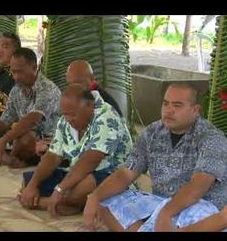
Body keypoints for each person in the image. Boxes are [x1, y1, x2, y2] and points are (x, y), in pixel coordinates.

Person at [84, 82, 227, 232]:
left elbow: (197, 187)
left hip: (197, 208)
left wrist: (167, 212)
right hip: (160, 203)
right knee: (106, 200)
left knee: (197, 212)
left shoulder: (211, 138)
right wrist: (95, 196)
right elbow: (126, 172)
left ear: (195, 110)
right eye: (165, 104)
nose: (169, 111)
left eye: (177, 105)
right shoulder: (152, 132)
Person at [19, 83, 132, 217]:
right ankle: (67, 203)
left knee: (84, 186)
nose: (68, 119)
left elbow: (91, 160)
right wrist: (32, 185)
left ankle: (51, 202)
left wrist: (60, 189)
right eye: (65, 114)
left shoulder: (106, 116)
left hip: (110, 174)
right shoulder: (65, 120)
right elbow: (53, 155)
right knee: (28, 183)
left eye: (72, 115)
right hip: (76, 171)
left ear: (89, 106)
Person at [0, 47, 61, 168]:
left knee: (24, 139)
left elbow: (33, 119)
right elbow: (4, 121)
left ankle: (10, 158)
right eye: (13, 72)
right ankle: (13, 160)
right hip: (20, 141)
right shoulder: (16, 90)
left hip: (48, 145)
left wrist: (4, 140)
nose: (16, 77)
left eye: (20, 72)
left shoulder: (47, 89)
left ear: (34, 67)